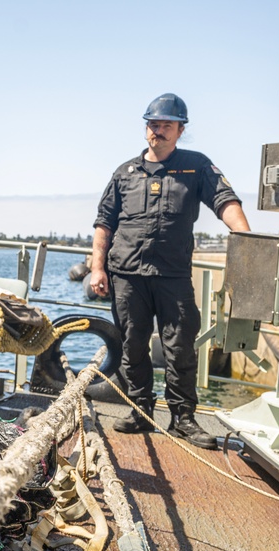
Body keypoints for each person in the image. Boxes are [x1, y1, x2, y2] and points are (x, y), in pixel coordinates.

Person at [88, 93, 250, 449]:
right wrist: (97, 268)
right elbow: (104, 225)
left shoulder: (196, 166)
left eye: (165, 125)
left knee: (180, 348)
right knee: (132, 346)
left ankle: (183, 418)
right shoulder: (125, 173)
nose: (157, 130)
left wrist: (247, 239)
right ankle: (140, 410)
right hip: (126, 275)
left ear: (180, 129)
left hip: (173, 276)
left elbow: (225, 202)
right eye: (152, 124)